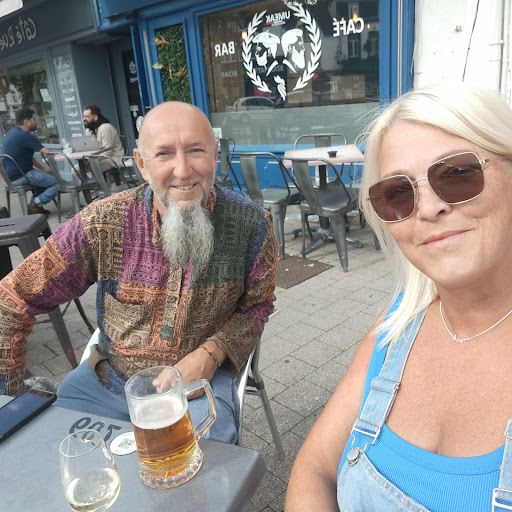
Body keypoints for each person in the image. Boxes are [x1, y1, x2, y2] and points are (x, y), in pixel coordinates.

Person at [286, 81, 512, 511]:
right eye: (398, 193)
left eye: (457, 174)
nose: (427, 209)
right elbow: (316, 467)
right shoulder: (396, 325)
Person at [0, 101, 278, 444]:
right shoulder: (102, 224)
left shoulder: (252, 225)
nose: (182, 170)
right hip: (106, 383)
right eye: (164, 154)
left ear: (215, 154)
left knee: (207, 468)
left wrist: (211, 353)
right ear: (142, 164)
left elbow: (258, 305)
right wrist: (10, 405)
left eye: (196, 150)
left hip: (194, 387)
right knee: (48, 455)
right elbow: (13, 297)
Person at [2, 107, 56, 215]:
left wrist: (43, 169)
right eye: (34, 119)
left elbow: (27, 157)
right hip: (23, 175)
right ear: (27, 121)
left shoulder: (10, 133)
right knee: (57, 183)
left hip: (12, 177)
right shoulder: (25, 135)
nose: (36, 122)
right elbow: (47, 152)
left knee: (43, 181)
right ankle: (35, 205)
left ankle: (36, 208)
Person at [82, 104, 125, 173]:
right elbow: (90, 149)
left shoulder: (106, 128)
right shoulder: (89, 130)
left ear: (95, 117)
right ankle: (92, 180)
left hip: (113, 159)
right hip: (98, 159)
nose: (84, 119)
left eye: (87, 117)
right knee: (76, 170)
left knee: (93, 168)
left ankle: (98, 180)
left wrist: (93, 159)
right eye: (83, 116)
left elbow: (108, 151)